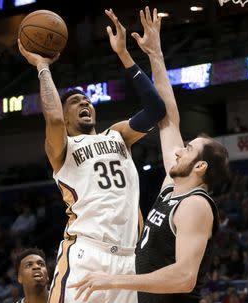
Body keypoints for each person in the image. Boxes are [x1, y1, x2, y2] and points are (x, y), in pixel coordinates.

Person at [69, 7, 229, 303]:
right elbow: (168, 120)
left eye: (189, 149)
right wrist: (154, 54)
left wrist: (115, 280)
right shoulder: (173, 190)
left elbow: (184, 277)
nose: (180, 149)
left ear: (201, 166)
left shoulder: (196, 205)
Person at [17, 7, 167, 303]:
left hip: (126, 259)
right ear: (64, 112)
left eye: (87, 100)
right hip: (86, 252)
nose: (84, 102)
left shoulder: (118, 134)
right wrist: (42, 66)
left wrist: (124, 55)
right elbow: (55, 121)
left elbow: (156, 110)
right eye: (75, 101)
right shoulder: (61, 149)